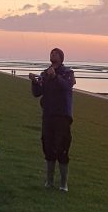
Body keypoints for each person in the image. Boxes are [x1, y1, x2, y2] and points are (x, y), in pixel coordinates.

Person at [29, 48, 75, 192]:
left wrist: (55, 77)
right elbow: (37, 93)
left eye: (55, 53)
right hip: (47, 116)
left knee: (62, 149)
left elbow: (67, 87)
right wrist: (34, 82)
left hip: (62, 117)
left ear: (61, 57)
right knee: (48, 147)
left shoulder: (68, 72)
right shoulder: (45, 73)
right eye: (51, 53)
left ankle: (63, 184)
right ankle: (49, 182)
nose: (52, 55)